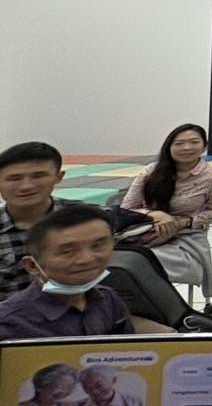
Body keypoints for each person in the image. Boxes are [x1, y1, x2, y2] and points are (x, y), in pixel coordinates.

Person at [121, 123, 212, 302]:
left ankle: (159, 304)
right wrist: (155, 216)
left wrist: (182, 223)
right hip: (145, 232)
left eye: (194, 142)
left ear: (204, 146)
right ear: (169, 147)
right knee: (121, 260)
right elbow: (127, 208)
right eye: (179, 143)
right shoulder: (151, 171)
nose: (186, 148)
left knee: (145, 262)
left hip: (187, 236)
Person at [0, 205, 133, 339]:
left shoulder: (109, 299)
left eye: (97, 246)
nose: (87, 259)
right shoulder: (8, 323)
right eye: (68, 252)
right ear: (32, 265)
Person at [0, 142, 77, 300]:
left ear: (58, 177)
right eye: (14, 178)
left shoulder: (87, 220)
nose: (26, 186)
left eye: (38, 176)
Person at [77, 365, 144, 406]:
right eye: (88, 388)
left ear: (113, 380)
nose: (94, 391)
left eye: (99, 385)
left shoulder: (134, 402)